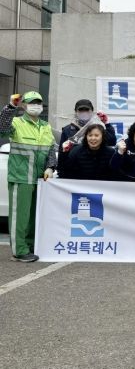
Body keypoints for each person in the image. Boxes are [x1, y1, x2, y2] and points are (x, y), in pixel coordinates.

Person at [0, 92, 57, 262]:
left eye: (38, 102)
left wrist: (50, 167)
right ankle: (19, 250)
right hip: (21, 177)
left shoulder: (46, 126)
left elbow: (51, 149)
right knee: (20, 216)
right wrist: (11, 107)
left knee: (34, 216)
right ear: (24, 105)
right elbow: (2, 129)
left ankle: (31, 246)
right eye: (32, 102)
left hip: (40, 178)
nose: (36, 105)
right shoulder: (16, 122)